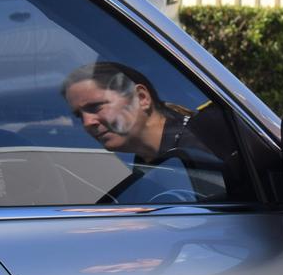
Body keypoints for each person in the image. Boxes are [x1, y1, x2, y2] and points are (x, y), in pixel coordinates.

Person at [61, 61, 231, 202]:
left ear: (142, 98)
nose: (87, 122)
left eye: (96, 106)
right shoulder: (143, 178)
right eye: (78, 115)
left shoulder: (215, 133)